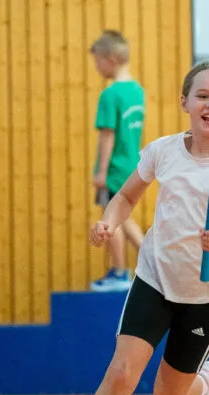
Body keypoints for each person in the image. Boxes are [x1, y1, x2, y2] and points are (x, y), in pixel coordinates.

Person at [86, 59, 209, 395]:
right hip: (155, 280)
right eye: (201, 95)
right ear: (184, 101)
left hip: (208, 296)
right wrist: (108, 222)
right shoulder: (163, 151)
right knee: (120, 375)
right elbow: (124, 198)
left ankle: (205, 384)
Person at [89, 30, 145, 291]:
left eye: (97, 62)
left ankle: (120, 272)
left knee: (110, 218)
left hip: (113, 167)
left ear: (110, 58)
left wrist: (101, 172)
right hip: (132, 164)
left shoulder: (110, 95)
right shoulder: (137, 92)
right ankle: (154, 261)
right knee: (124, 218)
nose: (97, 68)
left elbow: (107, 136)